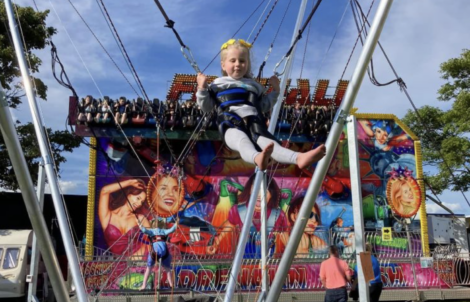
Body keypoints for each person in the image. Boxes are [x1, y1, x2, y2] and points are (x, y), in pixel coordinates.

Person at [196, 39, 326, 171]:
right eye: (233, 60)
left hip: (254, 123)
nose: (238, 64)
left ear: (247, 64)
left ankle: (298, 158)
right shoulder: (217, 84)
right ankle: (257, 157)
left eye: (242, 61)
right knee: (242, 141)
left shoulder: (254, 86)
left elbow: (263, 106)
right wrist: (201, 88)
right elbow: (206, 107)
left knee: (270, 144)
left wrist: (275, 91)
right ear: (223, 65)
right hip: (230, 124)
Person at [207, 174, 289, 258]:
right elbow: (229, 226)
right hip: (245, 255)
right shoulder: (238, 210)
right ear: (250, 190)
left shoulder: (278, 214)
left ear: (271, 195)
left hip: (267, 257)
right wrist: (215, 244)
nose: (259, 195)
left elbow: (284, 235)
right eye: (256, 190)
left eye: (265, 191)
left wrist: (295, 251)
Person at [98, 179, 150, 256]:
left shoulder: (140, 218)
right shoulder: (107, 216)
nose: (139, 204)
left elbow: (153, 242)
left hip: (141, 260)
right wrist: (130, 182)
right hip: (120, 265)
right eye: (138, 198)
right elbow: (104, 191)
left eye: (142, 202)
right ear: (128, 194)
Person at [138, 218, 178, 290]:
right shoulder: (163, 231)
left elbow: (144, 230)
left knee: (149, 268)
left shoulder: (152, 231)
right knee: (168, 269)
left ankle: (144, 285)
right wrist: (176, 224)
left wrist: (140, 225)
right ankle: (171, 284)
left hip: (154, 252)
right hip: (164, 252)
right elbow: (172, 229)